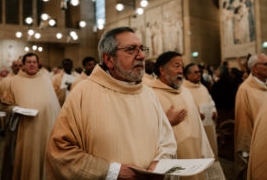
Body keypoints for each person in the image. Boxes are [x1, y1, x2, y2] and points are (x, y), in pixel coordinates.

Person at [46, 27, 177, 180]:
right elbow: (60, 151)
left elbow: (166, 140)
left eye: (141, 49)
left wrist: (159, 163)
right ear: (109, 59)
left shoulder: (148, 93)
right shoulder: (83, 93)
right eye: (131, 50)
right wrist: (111, 171)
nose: (141, 56)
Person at [150, 51, 213, 180]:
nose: (180, 71)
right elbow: (145, 132)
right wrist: (167, 121)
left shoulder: (185, 92)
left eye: (181, 67)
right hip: (175, 159)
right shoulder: (151, 95)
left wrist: (204, 153)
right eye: (176, 66)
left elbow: (199, 127)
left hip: (195, 153)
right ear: (162, 70)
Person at [1, 53, 60, 180]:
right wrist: (14, 109)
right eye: (28, 62)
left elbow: (54, 106)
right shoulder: (13, 82)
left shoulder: (46, 79)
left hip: (45, 129)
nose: (31, 64)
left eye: (34, 62)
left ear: (38, 64)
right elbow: (5, 104)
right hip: (25, 130)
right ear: (23, 64)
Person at [234, 53, 267, 180]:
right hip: (255, 147)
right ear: (255, 68)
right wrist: (246, 150)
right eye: (266, 64)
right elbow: (243, 122)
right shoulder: (244, 90)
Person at [183, 63, 218, 159]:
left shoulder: (203, 88)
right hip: (195, 127)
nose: (199, 74)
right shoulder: (183, 89)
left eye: (199, 72)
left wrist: (214, 111)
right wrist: (195, 115)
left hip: (208, 124)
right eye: (196, 72)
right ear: (188, 75)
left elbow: (211, 102)